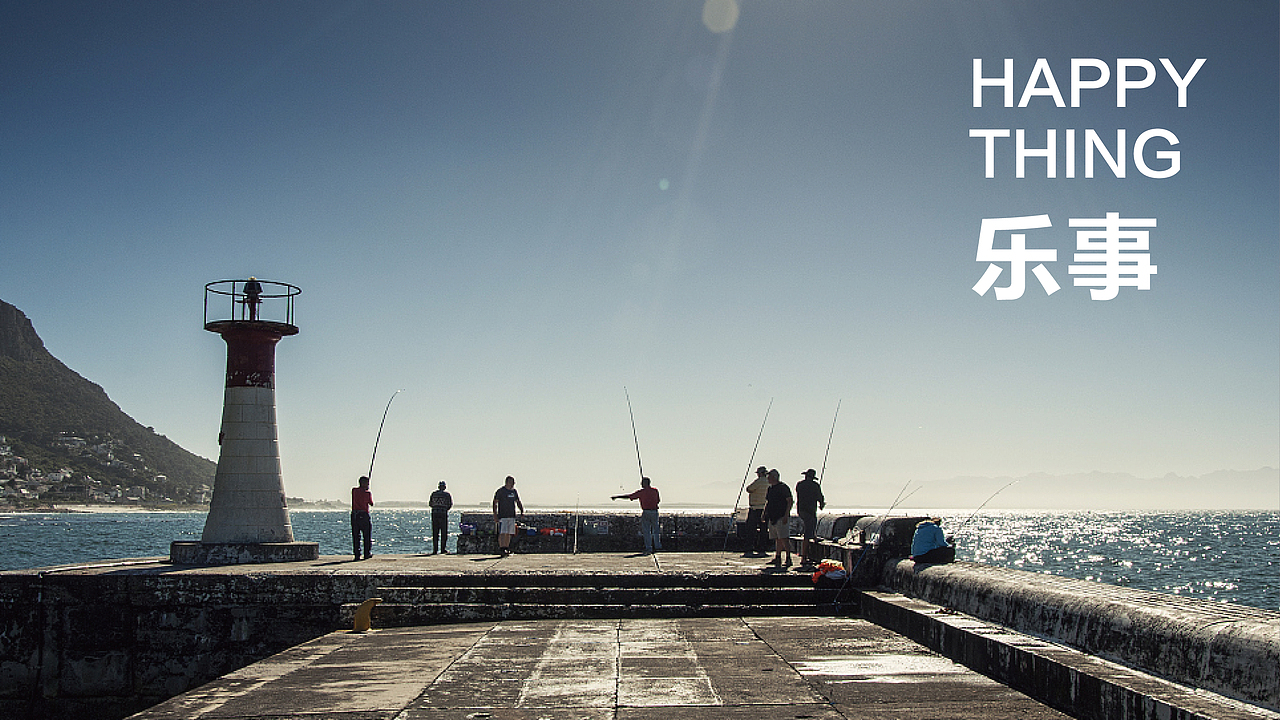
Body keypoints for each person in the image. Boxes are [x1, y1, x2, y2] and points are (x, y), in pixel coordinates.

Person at [612, 476, 661, 554]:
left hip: (646, 512)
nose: (640, 484)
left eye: (642, 482)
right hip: (655, 511)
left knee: (646, 531)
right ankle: (658, 546)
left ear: (645, 483)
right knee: (656, 530)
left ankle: (649, 548)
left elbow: (629, 496)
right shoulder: (655, 491)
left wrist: (617, 497)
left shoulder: (641, 492)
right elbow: (658, 501)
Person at [795, 469, 826, 567]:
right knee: (808, 533)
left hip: (801, 510)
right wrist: (821, 504)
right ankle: (804, 558)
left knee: (810, 526)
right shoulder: (815, 486)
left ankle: (815, 536)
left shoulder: (799, 484)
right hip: (810, 511)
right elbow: (820, 497)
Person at [764, 468, 793, 566]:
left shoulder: (783, 487)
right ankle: (778, 557)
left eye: (769, 477)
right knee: (777, 538)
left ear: (774, 477)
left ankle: (788, 558)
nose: (767, 478)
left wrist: (786, 515)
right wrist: (764, 514)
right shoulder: (770, 488)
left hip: (781, 516)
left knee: (784, 538)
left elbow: (789, 501)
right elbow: (768, 502)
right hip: (772, 517)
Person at [492, 475, 524, 557]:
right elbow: (495, 503)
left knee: (509, 533)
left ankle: (506, 547)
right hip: (503, 515)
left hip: (511, 515)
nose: (513, 484)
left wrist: (521, 511)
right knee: (503, 532)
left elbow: (518, 501)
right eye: (512, 482)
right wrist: (495, 515)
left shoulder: (514, 492)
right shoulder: (500, 491)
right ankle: (502, 548)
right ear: (507, 482)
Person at [743, 466, 770, 556]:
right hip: (764, 509)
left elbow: (749, 489)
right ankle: (762, 549)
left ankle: (749, 548)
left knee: (751, 529)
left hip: (755, 508)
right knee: (763, 530)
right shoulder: (768, 482)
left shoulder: (758, 481)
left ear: (760, 473)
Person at [351, 476, 373, 561]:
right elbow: (371, 503)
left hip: (355, 515)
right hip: (363, 515)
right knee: (366, 535)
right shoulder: (367, 493)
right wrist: (367, 490)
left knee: (356, 535)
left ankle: (357, 554)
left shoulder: (354, 491)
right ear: (364, 484)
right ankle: (366, 553)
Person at [429, 481, 453, 554]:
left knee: (435, 533)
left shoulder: (433, 494)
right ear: (444, 487)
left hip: (435, 514)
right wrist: (444, 509)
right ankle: (443, 549)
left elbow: (430, 504)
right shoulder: (447, 495)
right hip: (443, 514)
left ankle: (435, 550)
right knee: (443, 532)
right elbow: (450, 504)